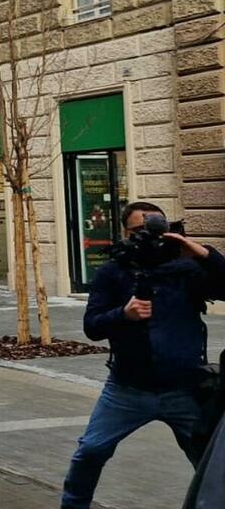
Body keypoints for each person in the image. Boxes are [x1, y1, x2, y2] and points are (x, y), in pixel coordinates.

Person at [60, 202, 225, 508]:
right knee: (91, 451)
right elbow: (92, 327)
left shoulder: (188, 270)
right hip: (127, 389)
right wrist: (124, 314)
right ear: (125, 232)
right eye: (138, 231)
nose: (148, 238)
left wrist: (201, 252)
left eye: (155, 230)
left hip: (185, 390)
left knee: (211, 464)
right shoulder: (114, 271)